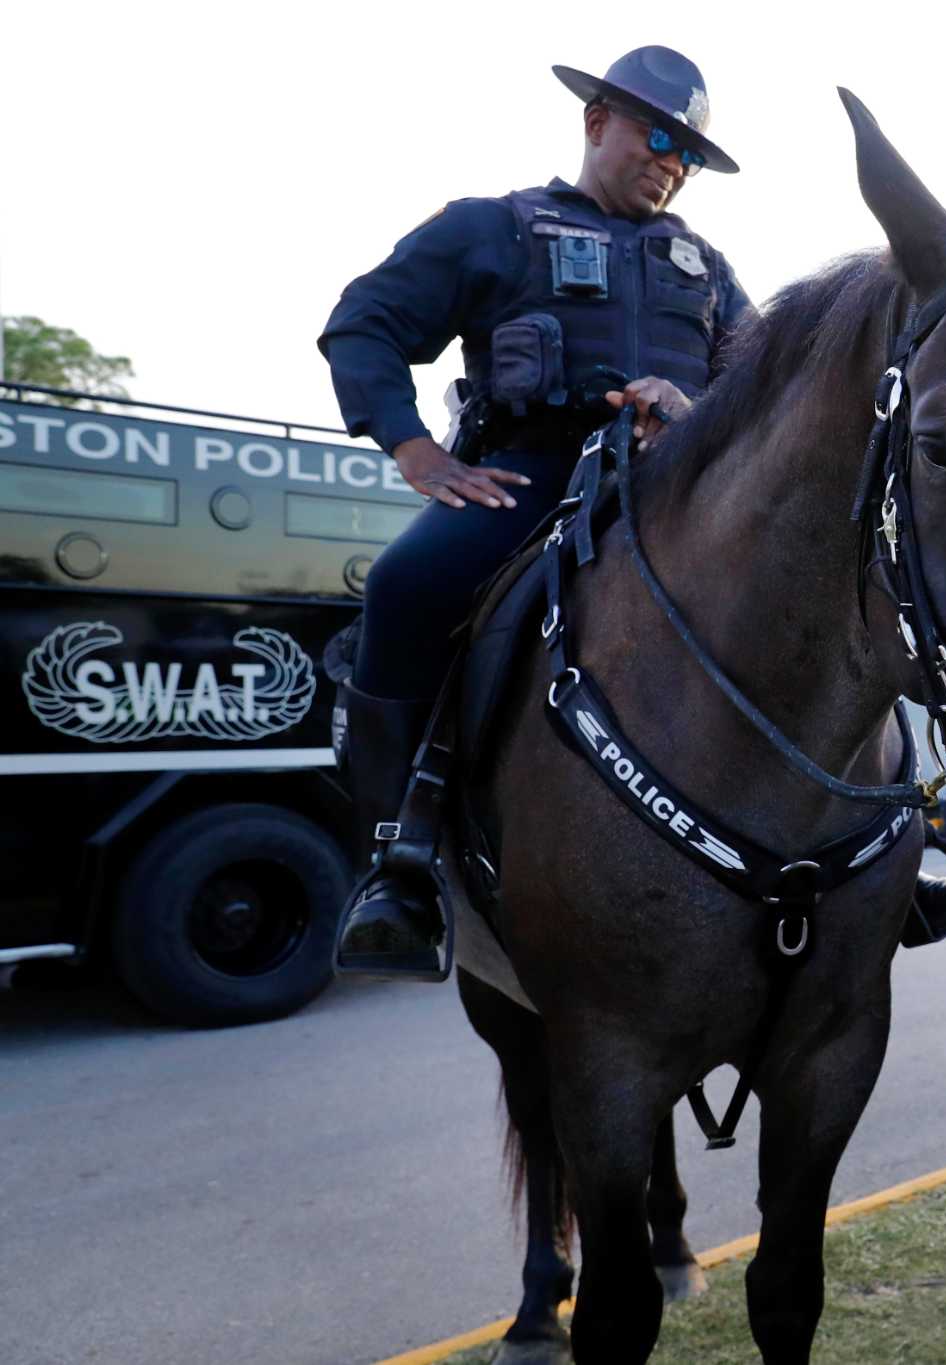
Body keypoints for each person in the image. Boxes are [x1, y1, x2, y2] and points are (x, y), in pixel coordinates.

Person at [317, 46, 751, 976]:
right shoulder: (496, 227)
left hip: (676, 493)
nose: (671, 162)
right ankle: (396, 864)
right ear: (597, 121)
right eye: (658, 136)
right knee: (402, 585)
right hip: (530, 478)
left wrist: (692, 413)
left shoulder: (708, 267)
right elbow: (364, 323)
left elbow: (760, 392)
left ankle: (909, 835)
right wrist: (416, 451)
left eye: (688, 155)